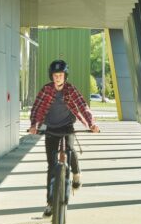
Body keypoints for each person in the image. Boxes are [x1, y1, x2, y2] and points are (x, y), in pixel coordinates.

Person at [28, 59, 100, 216]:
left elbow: (82, 106)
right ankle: (49, 203)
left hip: (67, 126)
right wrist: (34, 125)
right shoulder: (46, 90)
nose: (57, 78)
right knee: (51, 166)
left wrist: (91, 124)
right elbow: (36, 108)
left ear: (65, 76)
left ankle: (76, 174)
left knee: (69, 149)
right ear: (51, 76)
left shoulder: (70, 89)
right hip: (51, 128)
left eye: (60, 75)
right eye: (55, 75)